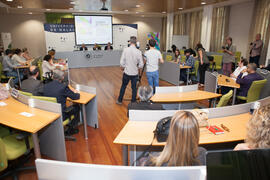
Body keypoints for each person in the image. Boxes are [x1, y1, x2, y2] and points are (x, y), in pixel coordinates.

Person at [43, 70, 80, 134]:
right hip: (61, 115)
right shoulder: (63, 87)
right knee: (77, 107)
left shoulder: (45, 86)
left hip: (49, 113)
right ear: (62, 77)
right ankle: (71, 129)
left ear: (52, 76)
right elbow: (75, 97)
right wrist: (77, 92)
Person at [116, 36, 144, 104]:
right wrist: (137, 67)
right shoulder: (139, 52)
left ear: (130, 42)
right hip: (134, 73)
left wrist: (123, 67)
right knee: (134, 88)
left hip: (126, 72)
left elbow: (121, 62)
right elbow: (141, 65)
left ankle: (119, 100)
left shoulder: (125, 50)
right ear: (136, 42)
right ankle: (133, 101)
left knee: (123, 86)